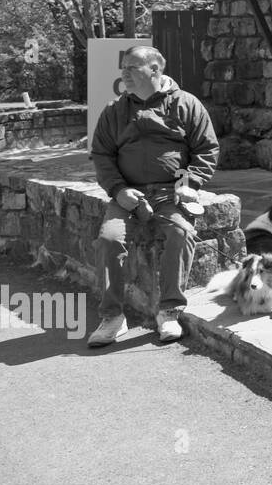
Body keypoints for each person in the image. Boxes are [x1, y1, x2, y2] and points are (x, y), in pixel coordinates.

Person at [86, 45, 219, 347]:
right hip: (127, 195)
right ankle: (112, 318)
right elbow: (102, 155)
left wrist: (192, 183)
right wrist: (119, 190)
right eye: (123, 68)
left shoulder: (187, 104)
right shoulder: (114, 111)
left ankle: (168, 312)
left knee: (181, 232)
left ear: (155, 70)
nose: (124, 73)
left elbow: (207, 149)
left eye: (132, 67)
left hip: (169, 194)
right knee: (109, 239)